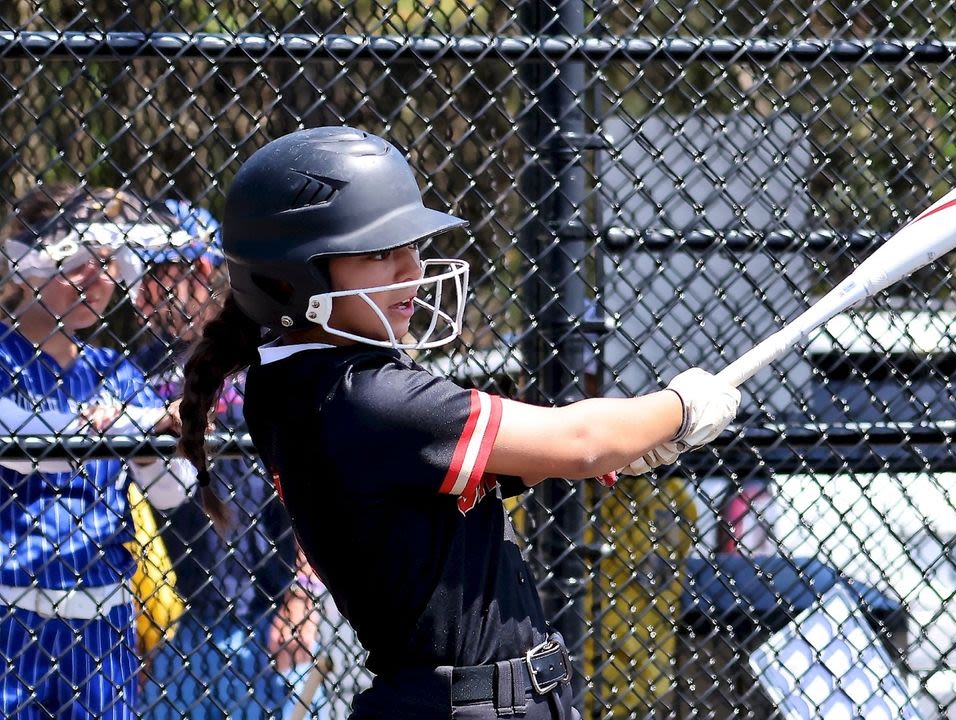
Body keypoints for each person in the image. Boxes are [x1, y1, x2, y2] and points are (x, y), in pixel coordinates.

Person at [174, 126, 742, 720]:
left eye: (410, 246)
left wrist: (631, 438)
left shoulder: (293, 380)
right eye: (376, 253)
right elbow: (582, 442)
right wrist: (679, 406)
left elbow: (448, 483)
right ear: (291, 279)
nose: (409, 271)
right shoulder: (364, 394)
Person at [104, 192, 322, 719]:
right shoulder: (141, 363)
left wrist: (304, 593)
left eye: (155, 273)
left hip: (270, 603)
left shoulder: (261, 349)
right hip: (187, 608)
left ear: (201, 269)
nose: (141, 296)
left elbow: (307, 477)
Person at [0, 184, 194, 718]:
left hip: (103, 616)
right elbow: (22, 443)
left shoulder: (116, 371)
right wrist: (126, 429)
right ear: (28, 267)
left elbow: (174, 490)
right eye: (77, 259)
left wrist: (150, 440)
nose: (98, 277)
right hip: (11, 612)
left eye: (108, 260)